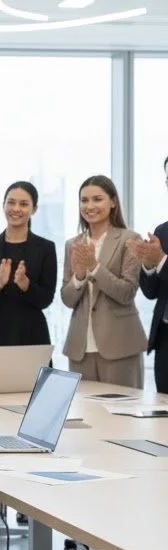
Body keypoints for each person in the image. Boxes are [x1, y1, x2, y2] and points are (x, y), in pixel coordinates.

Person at [0, 181, 57, 524]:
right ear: (3, 205)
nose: (16, 208)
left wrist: (24, 285)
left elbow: (46, 298)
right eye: (11, 202)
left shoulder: (45, 248)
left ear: (34, 209)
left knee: (30, 422)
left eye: (24, 203)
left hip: (31, 336)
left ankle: (26, 501)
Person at [61, 176, 146, 388]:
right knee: (88, 417)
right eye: (84, 200)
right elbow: (67, 298)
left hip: (120, 345)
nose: (89, 206)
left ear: (113, 202)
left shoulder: (130, 239)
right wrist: (79, 276)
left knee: (121, 415)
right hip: (80, 348)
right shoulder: (73, 244)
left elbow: (126, 292)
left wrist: (95, 267)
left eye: (97, 199)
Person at [129, 154, 168, 394]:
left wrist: (161, 261)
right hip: (165, 340)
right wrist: (148, 265)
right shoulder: (163, 230)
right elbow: (151, 292)